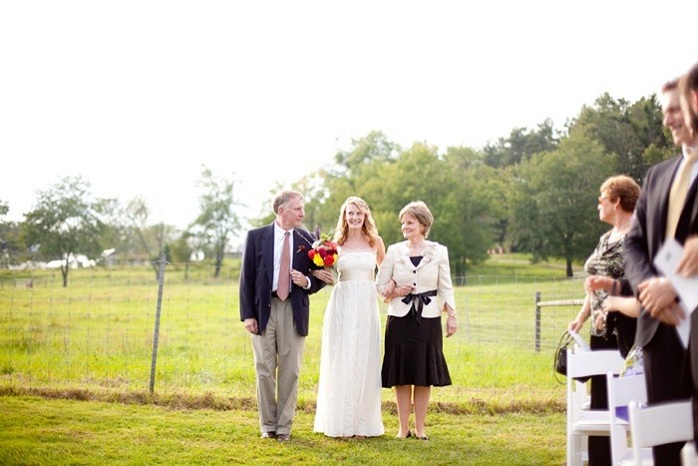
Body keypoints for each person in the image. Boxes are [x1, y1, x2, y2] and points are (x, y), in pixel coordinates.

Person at [623, 78, 695, 464]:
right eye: (664, 110)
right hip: (658, 328)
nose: (668, 119)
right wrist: (650, 287)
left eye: (675, 109)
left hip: (695, 318)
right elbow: (633, 243)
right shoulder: (658, 175)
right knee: (665, 446)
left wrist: (677, 286)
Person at [239, 190, 327, 442]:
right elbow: (247, 278)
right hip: (263, 310)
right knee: (264, 369)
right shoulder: (256, 237)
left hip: (293, 310)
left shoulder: (308, 239)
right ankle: (268, 425)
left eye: (303, 208)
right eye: (298, 208)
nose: (303, 213)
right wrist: (248, 315)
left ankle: (284, 427)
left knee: (291, 371)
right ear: (282, 211)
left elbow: (321, 276)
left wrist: (307, 281)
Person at [568, 174, 640, 466]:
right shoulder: (606, 237)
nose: (598, 204)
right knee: (600, 399)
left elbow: (636, 284)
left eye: (602, 199)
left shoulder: (637, 238)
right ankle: (600, 461)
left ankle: (631, 456)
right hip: (599, 329)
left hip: (625, 326)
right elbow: (593, 284)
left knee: (622, 401)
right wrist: (582, 316)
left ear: (617, 201)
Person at [375, 200, 457, 440]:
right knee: (401, 375)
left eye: (409, 222)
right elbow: (379, 284)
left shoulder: (439, 251)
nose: (404, 226)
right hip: (399, 319)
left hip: (428, 319)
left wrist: (452, 315)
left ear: (422, 224)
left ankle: (420, 428)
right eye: (403, 223)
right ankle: (403, 428)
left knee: (423, 375)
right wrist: (394, 289)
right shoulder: (393, 250)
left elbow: (446, 286)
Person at [312, 196, 387, 438]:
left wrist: (391, 292)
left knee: (364, 357)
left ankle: (362, 424)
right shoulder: (335, 244)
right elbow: (322, 271)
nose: (354, 217)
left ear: (365, 215)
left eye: (358, 213)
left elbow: (386, 274)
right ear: (344, 217)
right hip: (343, 301)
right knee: (342, 356)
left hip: (366, 302)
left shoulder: (375, 242)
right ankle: (340, 423)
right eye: (350, 213)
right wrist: (318, 272)